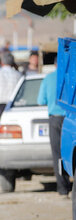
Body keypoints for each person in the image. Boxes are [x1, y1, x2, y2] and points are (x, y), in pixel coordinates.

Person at [38, 58, 72, 197]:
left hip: (55, 120)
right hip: (70, 120)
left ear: (54, 65)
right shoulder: (71, 78)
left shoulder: (49, 78)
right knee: (70, 153)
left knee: (57, 155)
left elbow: (40, 100)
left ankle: (63, 189)